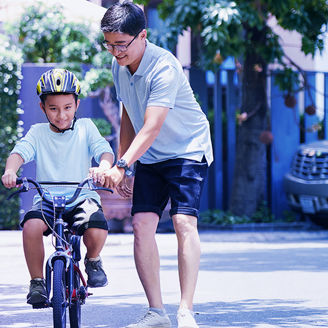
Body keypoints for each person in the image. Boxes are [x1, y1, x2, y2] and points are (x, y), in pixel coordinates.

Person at [100, 2, 213, 328]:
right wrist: (125, 160)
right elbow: (128, 113)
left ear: (143, 36)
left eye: (121, 44)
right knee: (141, 226)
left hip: (186, 149)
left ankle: (185, 311)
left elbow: (151, 125)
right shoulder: (118, 65)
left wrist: (121, 165)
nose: (116, 51)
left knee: (182, 222)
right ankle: (157, 312)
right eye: (109, 43)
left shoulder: (164, 66)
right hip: (148, 154)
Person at [1, 68, 114, 306]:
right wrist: (11, 170)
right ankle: (37, 282)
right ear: (43, 108)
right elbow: (19, 153)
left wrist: (103, 167)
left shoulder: (86, 127)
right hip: (47, 199)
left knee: (96, 226)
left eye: (67, 107)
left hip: (81, 196)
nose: (61, 115)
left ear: (77, 104)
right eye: (53, 108)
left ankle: (93, 260)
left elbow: (103, 150)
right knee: (31, 226)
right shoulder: (38, 133)